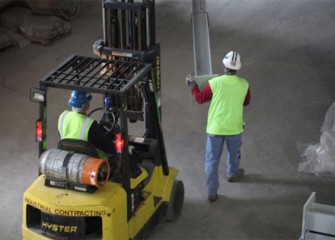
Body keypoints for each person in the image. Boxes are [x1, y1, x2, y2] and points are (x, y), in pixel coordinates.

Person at [186, 51, 251, 202]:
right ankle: (232, 173)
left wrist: (193, 86)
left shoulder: (215, 83)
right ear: (237, 68)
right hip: (235, 128)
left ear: (224, 66)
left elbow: (200, 99)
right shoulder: (244, 84)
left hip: (215, 129)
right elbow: (246, 102)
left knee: (212, 160)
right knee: (234, 153)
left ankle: (212, 192)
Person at [58, 90, 115, 160]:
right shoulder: (90, 124)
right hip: (88, 161)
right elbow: (106, 146)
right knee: (112, 154)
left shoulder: (63, 116)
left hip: (69, 157)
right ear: (86, 106)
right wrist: (114, 147)